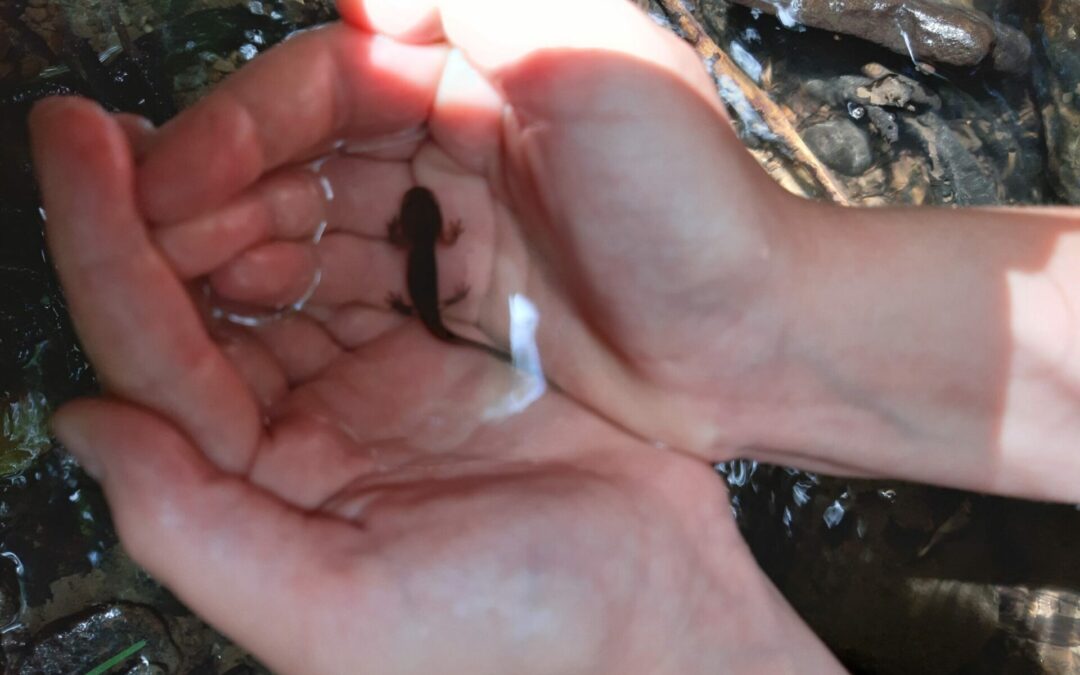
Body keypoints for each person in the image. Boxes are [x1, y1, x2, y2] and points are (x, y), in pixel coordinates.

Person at [27, 0, 1080, 672]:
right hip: (433, 293)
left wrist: (768, 312)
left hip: (428, 292)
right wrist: (772, 312)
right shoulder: (428, 243)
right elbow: (425, 252)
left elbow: (423, 251)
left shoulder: (421, 242)